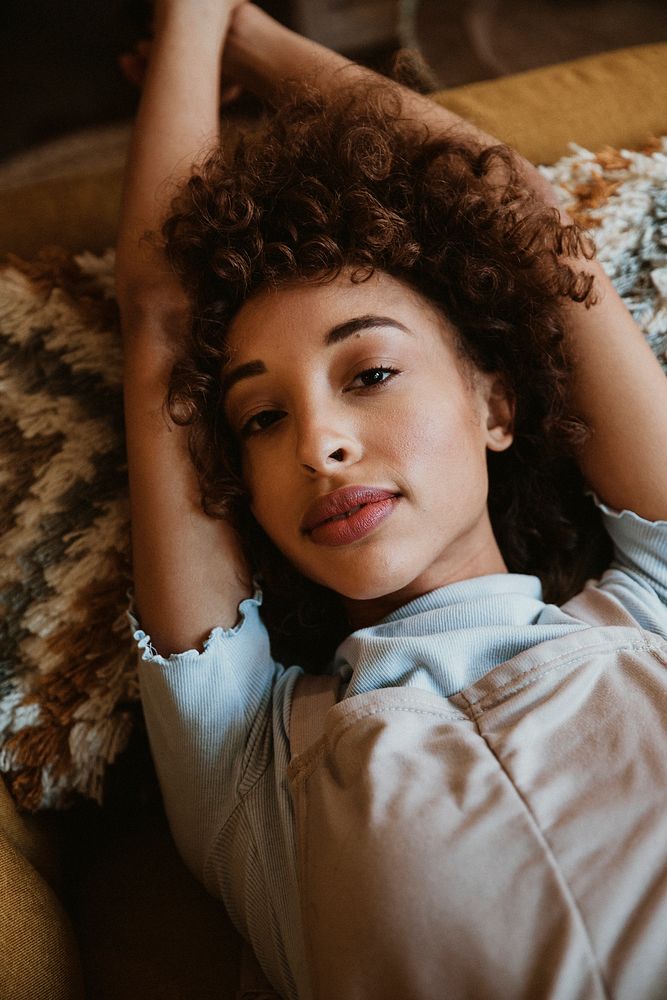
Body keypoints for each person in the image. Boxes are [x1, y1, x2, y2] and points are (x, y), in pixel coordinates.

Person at [115, 2, 667, 998]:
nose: (320, 444)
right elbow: (160, 314)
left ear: (495, 403)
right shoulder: (245, 758)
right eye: (260, 420)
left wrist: (245, 37)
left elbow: (530, 222)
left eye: (367, 372)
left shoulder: (653, 609)